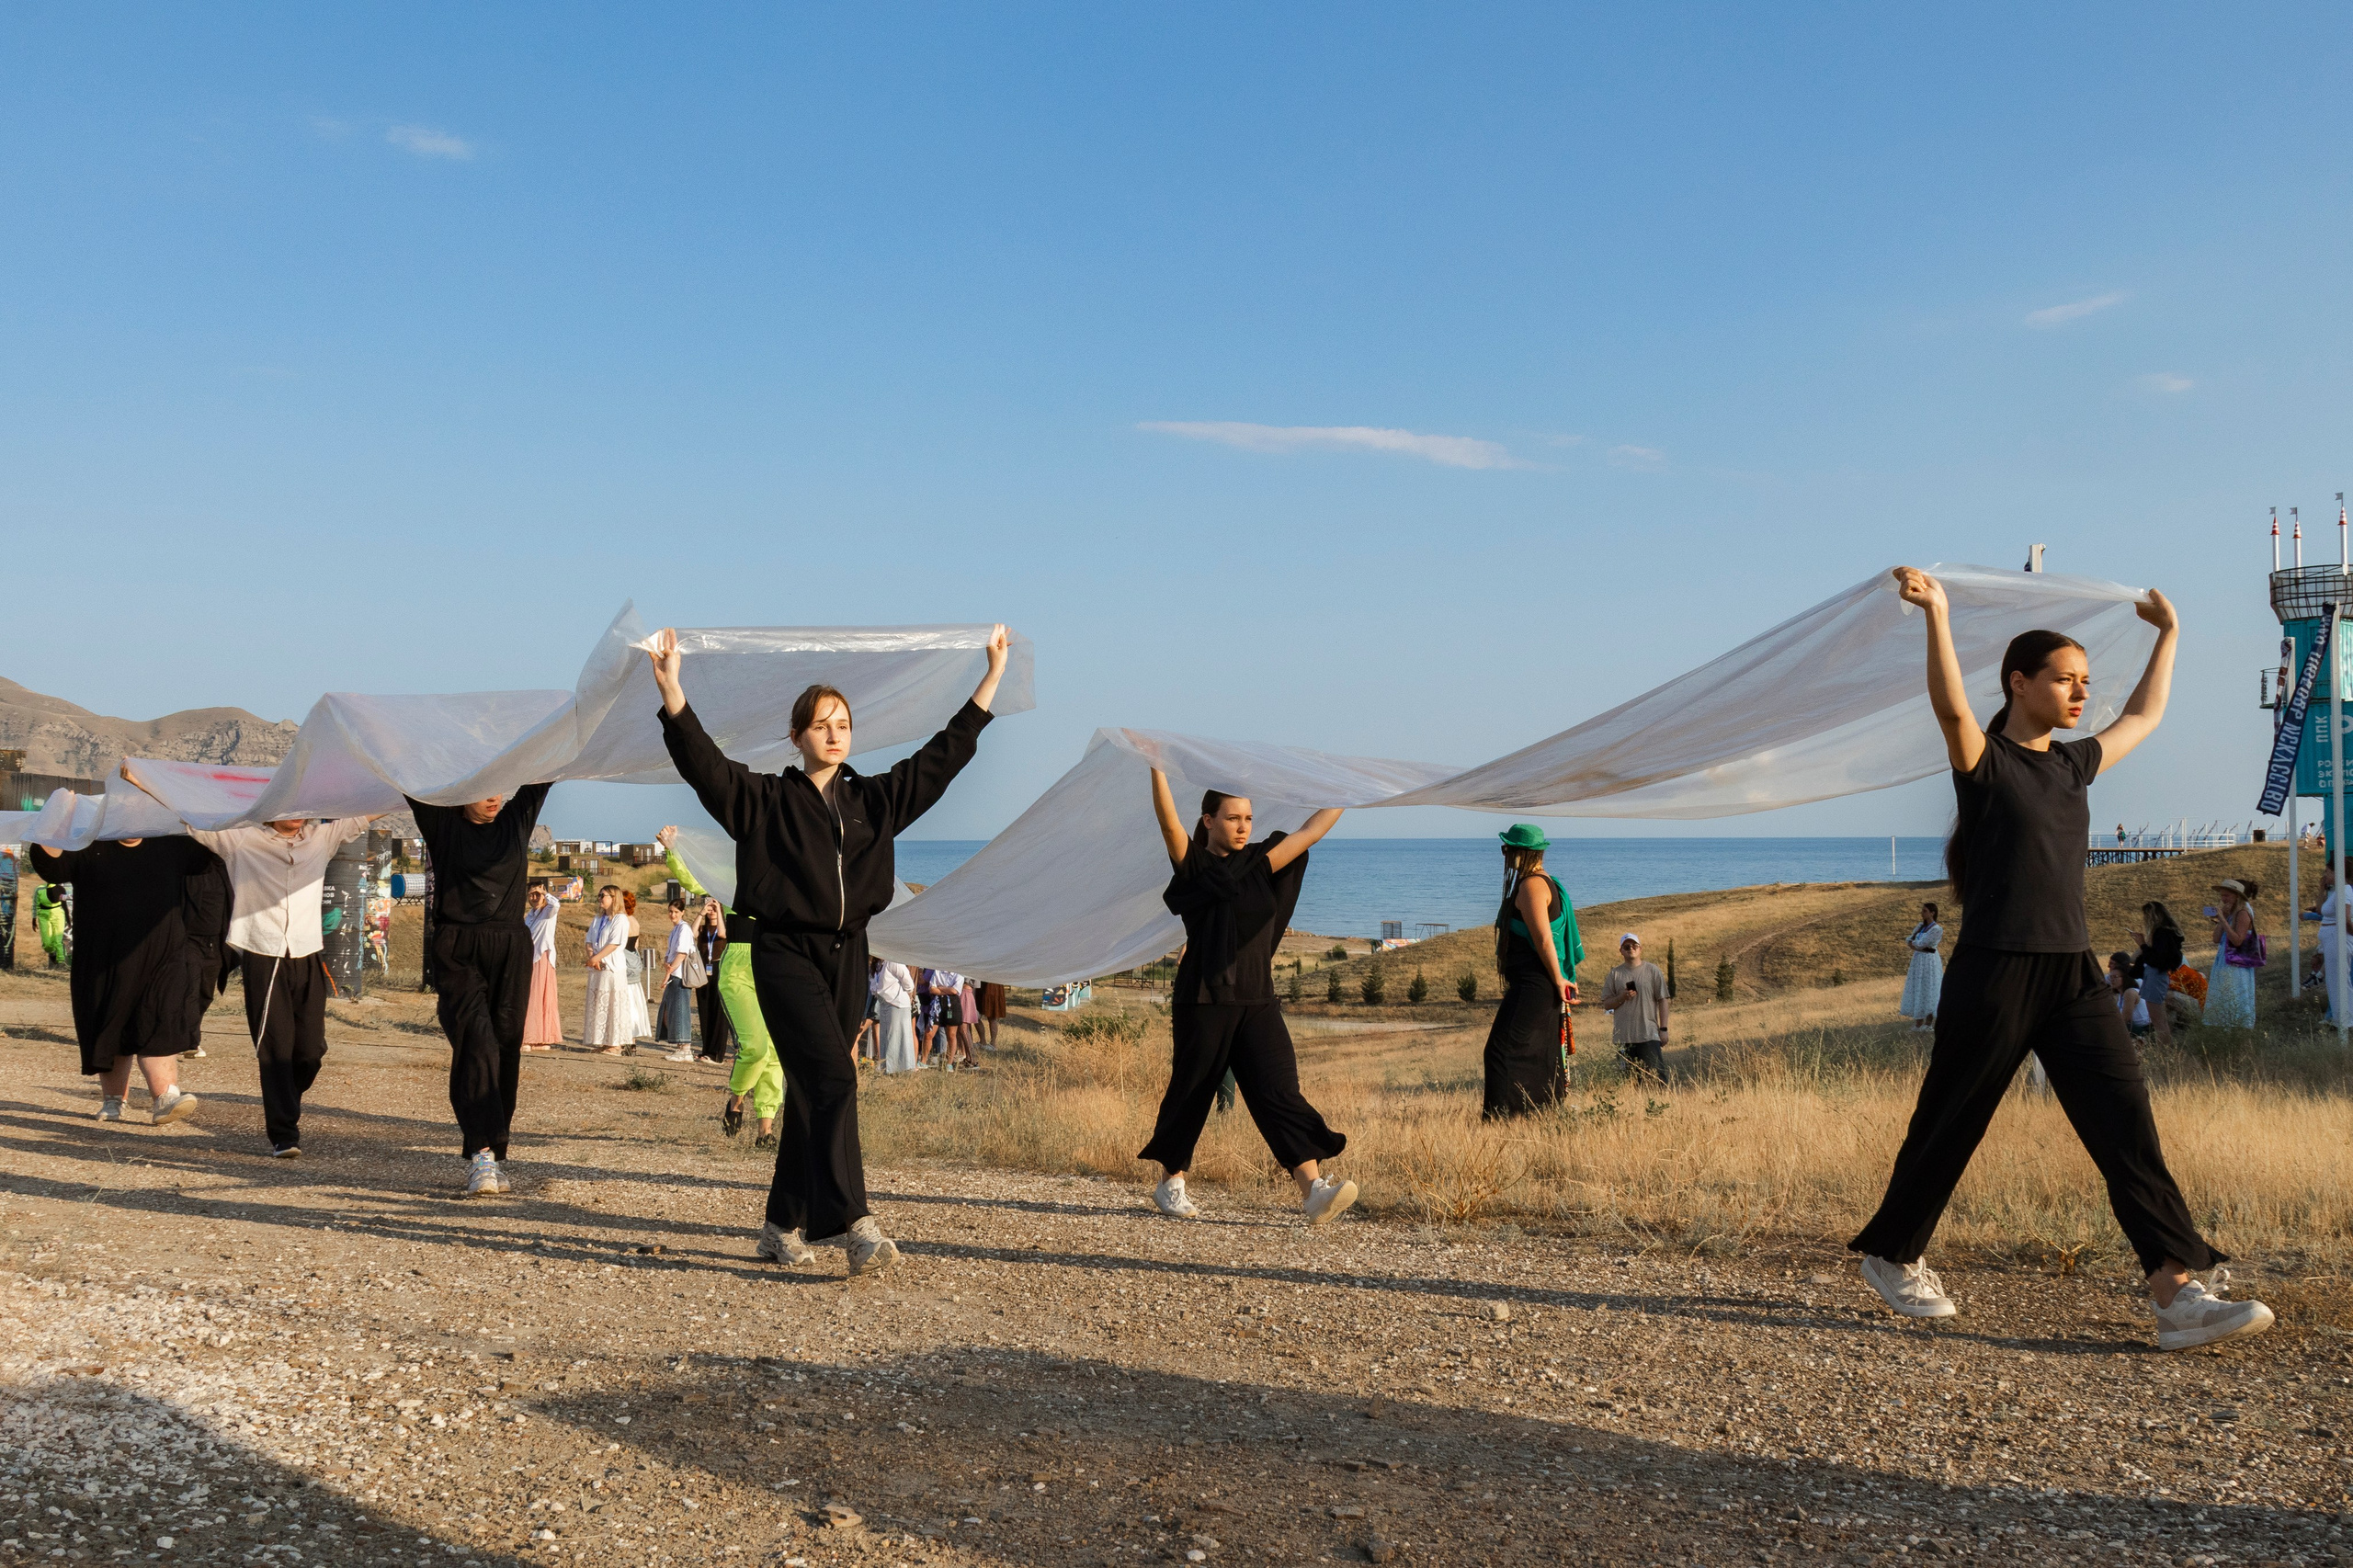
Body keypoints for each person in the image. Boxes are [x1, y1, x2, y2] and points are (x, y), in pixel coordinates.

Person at [1850, 567, 2270, 1351]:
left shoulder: (2072, 766)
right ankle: (1892, 1252)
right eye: (2065, 680)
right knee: (1952, 1121)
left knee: (2125, 1123)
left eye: (2085, 682)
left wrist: (2169, 636)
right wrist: (1938, 616)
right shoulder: (1984, 764)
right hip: (1995, 972)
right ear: (2019, 682)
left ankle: (2176, 1291)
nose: (2081, 694)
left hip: (2072, 973)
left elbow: (2146, 713)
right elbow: (1949, 705)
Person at [649, 621, 1014, 1275]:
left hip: (851, 957)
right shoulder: (765, 800)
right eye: (821, 723)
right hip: (784, 953)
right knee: (837, 1077)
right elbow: (705, 767)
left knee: (816, 1091)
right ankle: (856, 1223)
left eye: (843, 721)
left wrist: (988, 683)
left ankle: (778, 1224)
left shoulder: (874, 799)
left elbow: (943, 758)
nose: (835, 731)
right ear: (797, 736)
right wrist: (674, 695)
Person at [120, 759, 381, 1157]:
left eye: (301, 811)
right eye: (286, 811)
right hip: (264, 953)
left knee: (310, 1051)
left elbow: (368, 811)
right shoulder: (241, 840)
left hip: (308, 954)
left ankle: (287, 1097)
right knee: (275, 1047)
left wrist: (414, 785)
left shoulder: (322, 838)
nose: (296, 819)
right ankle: (284, 1135)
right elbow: (189, 819)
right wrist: (142, 782)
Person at [1140, 767, 1355, 1225]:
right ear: (1208, 820)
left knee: (1278, 1090)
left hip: (1257, 998)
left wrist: (1349, 789)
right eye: (1233, 818)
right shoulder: (1194, 866)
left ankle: (1313, 1190)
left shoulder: (1261, 863)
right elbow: (1167, 823)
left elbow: (1311, 830)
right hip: (1203, 999)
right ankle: (1170, 1184)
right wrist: (1157, 766)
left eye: (1249, 819)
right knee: (1192, 1092)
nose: (1243, 827)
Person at [405, 781, 555, 1198]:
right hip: (458, 947)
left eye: (498, 789)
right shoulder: (442, 824)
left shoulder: (515, 821)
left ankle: (493, 1149)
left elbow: (543, 773)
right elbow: (411, 775)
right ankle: (482, 1155)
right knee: (477, 1043)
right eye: (482, 788)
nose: (493, 797)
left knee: (505, 1047)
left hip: (510, 945)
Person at [27, 823, 226, 1127]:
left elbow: (211, 852)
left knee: (161, 1020)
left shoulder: (170, 845)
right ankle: (113, 1099)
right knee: (111, 1025)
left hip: (164, 957)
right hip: (103, 960)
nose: (132, 822)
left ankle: (166, 1097)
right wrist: (61, 816)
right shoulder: (88, 846)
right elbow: (52, 867)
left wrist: (192, 812)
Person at [656, 829, 783, 1148]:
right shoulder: (731, 877)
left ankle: (765, 1131)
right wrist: (672, 850)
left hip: (776, 966)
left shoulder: (785, 875)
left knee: (775, 1053)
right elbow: (694, 881)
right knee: (755, 1048)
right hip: (739, 966)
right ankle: (736, 1102)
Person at [1480, 823, 1579, 1119]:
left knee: (1498, 1051)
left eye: (1507, 849)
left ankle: (1499, 1120)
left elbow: (1544, 938)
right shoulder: (1544, 882)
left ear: (1522, 853)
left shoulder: (1532, 885)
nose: (1505, 854)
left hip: (1535, 984)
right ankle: (1535, 1116)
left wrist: (1559, 978)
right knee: (1537, 1053)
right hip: (1540, 984)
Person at [1599, 934, 1669, 1080]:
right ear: (1621, 951)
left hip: (1648, 1035)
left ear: (1640, 949)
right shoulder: (1614, 974)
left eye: (1634, 946)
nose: (1630, 948)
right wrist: (1621, 997)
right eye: (1626, 946)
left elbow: (1663, 1000)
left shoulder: (1652, 971)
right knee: (1628, 1081)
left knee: (1657, 1078)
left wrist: (1663, 1029)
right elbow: (1606, 1004)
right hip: (1623, 1038)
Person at [581, 886, 634, 1054]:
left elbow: (614, 943)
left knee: (613, 1005)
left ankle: (615, 1044)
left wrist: (595, 959)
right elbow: (589, 940)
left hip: (612, 968)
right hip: (598, 968)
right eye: (599, 895)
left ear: (613, 898)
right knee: (599, 1004)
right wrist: (592, 958)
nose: (600, 899)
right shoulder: (598, 919)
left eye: (603, 896)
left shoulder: (620, 919)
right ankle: (604, 1042)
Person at [2204, 880, 2261, 1029]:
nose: (2223, 899)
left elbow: (2237, 940)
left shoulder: (2243, 913)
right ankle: (2223, 1028)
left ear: (2237, 896)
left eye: (2227, 896)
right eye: (2222, 896)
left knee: (2233, 996)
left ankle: (2235, 1029)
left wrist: (2223, 920)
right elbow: (2216, 939)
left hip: (2236, 964)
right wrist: (2222, 917)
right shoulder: (2230, 914)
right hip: (2224, 959)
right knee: (2223, 996)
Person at [2130, 901, 2186, 1047]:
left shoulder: (2161, 934)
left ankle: (2165, 1051)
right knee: (2159, 1020)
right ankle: (2166, 1049)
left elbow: (2156, 959)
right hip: (2156, 976)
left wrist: (2142, 944)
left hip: (2155, 976)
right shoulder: (2168, 934)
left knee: (2157, 1020)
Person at [522, 885, 563, 1050]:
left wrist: (545, 894)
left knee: (537, 997)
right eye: (531, 894)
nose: (534, 897)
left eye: (537, 894)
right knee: (534, 997)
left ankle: (533, 1038)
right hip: (529, 958)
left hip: (542, 957)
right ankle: (539, 1038)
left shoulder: (548, 912)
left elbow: (556, 905)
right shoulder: (530, 916)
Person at [658, 901, 699, 1062]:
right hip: (674, 974)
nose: (673, 915)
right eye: (670, 911)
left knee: (681, 1010)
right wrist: (666, 964)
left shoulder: (684, 929)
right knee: (670, 1011)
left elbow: (682, 953)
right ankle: (680, 1046)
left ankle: (686, 1049)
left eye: (676, 911)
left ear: (682, 912)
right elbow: (670, 952)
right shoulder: (675, 930)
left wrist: (669, 970)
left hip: (681, 975)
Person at [694, 896, 733, 1064]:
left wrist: (719, 910)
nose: (711, 910)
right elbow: (691, 933)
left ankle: (717, 1054)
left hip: (719, 968)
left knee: (718, 1012)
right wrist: (701, 913)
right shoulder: (703, 929)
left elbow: (723, 934)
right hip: (703, 969)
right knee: (704, 1010)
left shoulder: (725, 928)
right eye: (709, 907)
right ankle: (706, 1050)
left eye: (714, 907)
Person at [1900, 903, 1944, 1031]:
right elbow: (1910, 940)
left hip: (1929, 961)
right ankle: (1918, 1022)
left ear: (1932, 913)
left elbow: (1922, 944)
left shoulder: (1936, 929)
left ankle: (1928, 1023)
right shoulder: (1920, 927)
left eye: (1925, 911)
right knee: (1918, 987)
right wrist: (1915, 945)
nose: (1922, 913)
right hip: (1918, 960)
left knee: (1929, 987)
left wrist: (1916, 945)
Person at [619, 890, 654, 1044]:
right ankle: (631, 1040)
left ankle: (626, 1039)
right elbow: (636, 944)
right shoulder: (634, 921)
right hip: (634, 959)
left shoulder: (622, 921)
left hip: (624, 960)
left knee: (625, 1000)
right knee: (633, 1001)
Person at [874, 957, 920, 1074]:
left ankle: (899, 1068)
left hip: (897, 1004)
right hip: (885, 1003)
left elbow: (908, 982)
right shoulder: (880, 964)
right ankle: (887, 1067)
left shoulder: (893, 962)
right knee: (886, 1036)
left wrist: (909, 996)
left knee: (896, 1036)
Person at [33, 879, 69, 967]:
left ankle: (61, 962)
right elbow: (35, 905)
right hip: (44, 916)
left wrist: (68, 920)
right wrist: (34, 918)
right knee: (47, 943)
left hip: (58, 914)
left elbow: (64, 905)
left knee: (58, 940)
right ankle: (52, 953)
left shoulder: (60, 889)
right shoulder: (39, 889)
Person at [974, 980, 1007, 1050]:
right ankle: (982, 1041)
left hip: (992, 986)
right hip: (981, 986)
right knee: (975, 1016)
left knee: (992, 1017)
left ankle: (993, 1044)